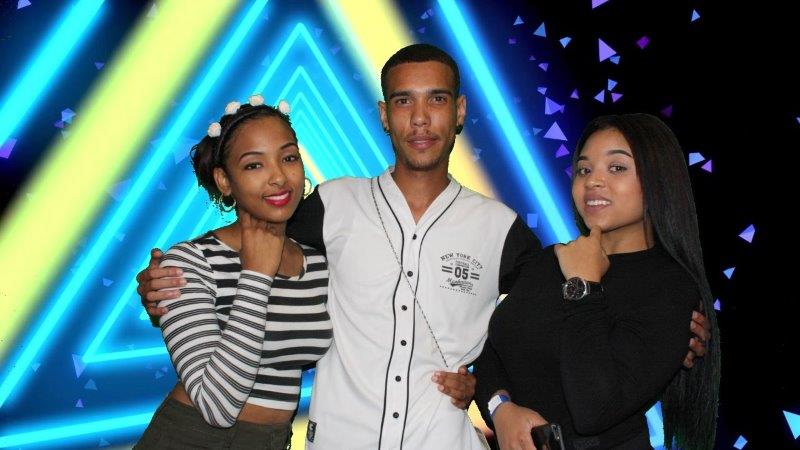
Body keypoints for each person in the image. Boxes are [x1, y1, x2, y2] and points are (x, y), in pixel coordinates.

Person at [137, 46, 710, 449]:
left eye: (436, 100)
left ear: (458, 112)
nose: (419, 119)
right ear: (384, 116)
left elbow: (539, 329)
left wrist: (668, 333)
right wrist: (164, 280)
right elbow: (255, 238)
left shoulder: (500, 227)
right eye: (403, 102)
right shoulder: (332, 204)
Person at [475, 114, 720, 450]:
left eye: (617, 167)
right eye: (584, 169)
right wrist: (501, 409)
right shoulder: (549, 260)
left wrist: (583, 285)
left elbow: (594, 409)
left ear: (658, 179)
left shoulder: (670, 288)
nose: (593, 181)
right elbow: (492, 350)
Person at [135, 96, 333, 449]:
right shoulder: (189, 262)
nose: (278, 177)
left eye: (288, 158)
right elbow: (216, 407)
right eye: (254, 165)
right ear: (224, 180)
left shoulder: (318, 265)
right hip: (193, 439)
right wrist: (256, 276)